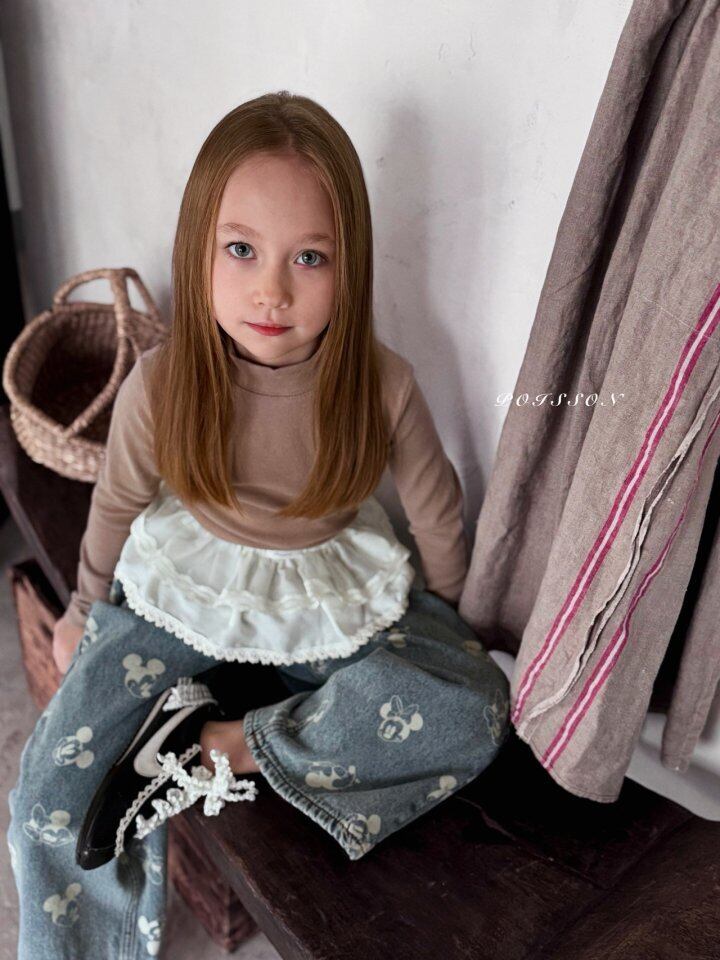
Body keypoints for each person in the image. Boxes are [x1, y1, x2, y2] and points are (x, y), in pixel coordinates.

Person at [7, 90, 510, 959]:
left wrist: (450, 628)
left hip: (330, 591)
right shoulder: (162, 383)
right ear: (199, 248)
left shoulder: (382, 382)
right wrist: (85, 605)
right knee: (47, 800)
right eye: (241, 250)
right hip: (181, 588)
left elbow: (437, 510)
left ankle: (215, 748)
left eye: (309, 258)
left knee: (475, 706)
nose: (271, 290)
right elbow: (116, 502)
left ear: (349, 267)